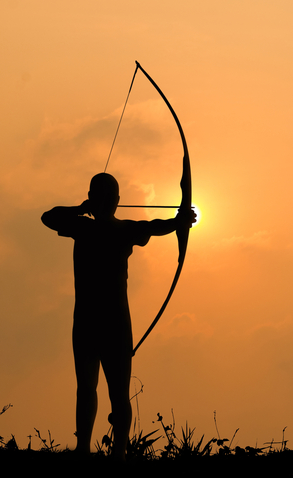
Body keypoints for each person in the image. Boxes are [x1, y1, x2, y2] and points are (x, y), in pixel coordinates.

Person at [41, 172, 195, 459]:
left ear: (117, 201)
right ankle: (83, 449)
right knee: (86, 388)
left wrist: (179, 220)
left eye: (107, 197)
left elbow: (155, 226)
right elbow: (47, 217)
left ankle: (119, 453)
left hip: (112, 323)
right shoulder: (83, 228)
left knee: (118, 393)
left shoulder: (118, 229)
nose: (103, 202)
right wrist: (78, 209)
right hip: (88, 321)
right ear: (91, 198)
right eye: (96, 196)